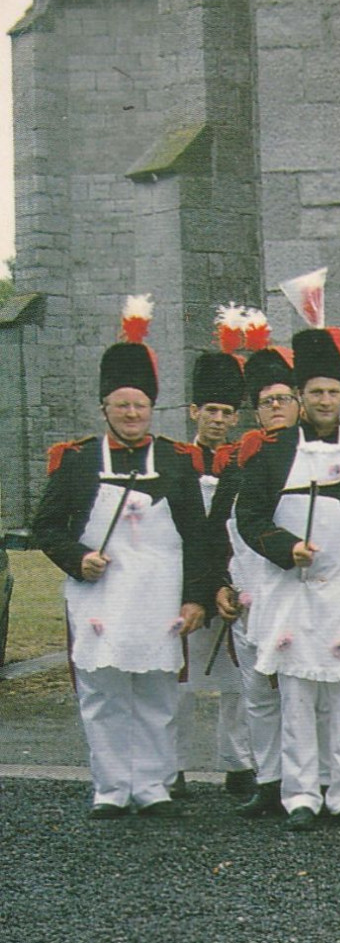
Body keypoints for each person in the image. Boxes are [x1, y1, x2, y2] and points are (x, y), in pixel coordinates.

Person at [33, 298, 211, 818]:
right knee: (104, 692)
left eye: (140, 406)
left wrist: (196, 598)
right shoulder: (78, 459)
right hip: (100, 595)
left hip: (159, 595)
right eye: (121, 406)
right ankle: (110, 786)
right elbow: (46, 528)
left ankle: (153, 785)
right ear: (105, 408)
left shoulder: (179, 462)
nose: (132, 415)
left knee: (156, 693)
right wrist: (78, 557)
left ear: (152, 409)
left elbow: (198, 537)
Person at [233, 319, 340, 831]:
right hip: (293, 592)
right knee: (298, 699)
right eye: (315, 392)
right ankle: (301, 793)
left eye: (333, 392)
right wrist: (286, 548)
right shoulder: (273, 452)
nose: (325, 401)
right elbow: (250, 516)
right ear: (300, 397)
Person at [209, 345, 300, 819]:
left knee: (307, 693)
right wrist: (221, 585)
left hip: (304, 595)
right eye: (268, 401)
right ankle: (269, 780)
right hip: (252, 596)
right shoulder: (238, 462)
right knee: (259, 694)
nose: (277, 407)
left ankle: (312, 781)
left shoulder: (318, 457)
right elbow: (215, 533)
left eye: (285, 398)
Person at [172, 348, 254, 801]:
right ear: (193, 412)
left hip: (228, 578)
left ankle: (238, 763)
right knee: (179, 683)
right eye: (211, 411)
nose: (219, 420)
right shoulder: (176, 461)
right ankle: (175, 765)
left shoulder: (244, 462)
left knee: (237, 683)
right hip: (186, 584)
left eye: (227, 412)